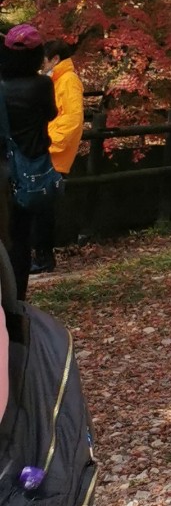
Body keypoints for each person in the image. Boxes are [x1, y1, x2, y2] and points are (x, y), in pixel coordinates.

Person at [0, 24, 59, 301]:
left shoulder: (1, 87)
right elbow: (51, 115)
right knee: (20, 239)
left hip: (2, 168)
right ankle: (17, 301)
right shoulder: (42, 85)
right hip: (28, 172)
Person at [36, 35, 85, 275]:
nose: (42, 66)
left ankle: (44, 257)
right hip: (50, 151)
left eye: (44, 61)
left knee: (43, 208)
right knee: (39, 207)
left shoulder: (68, 81)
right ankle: (42, 256)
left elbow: (72, 119)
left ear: (55, 59)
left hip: (54, 154)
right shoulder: (57, 80)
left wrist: (48, 142)